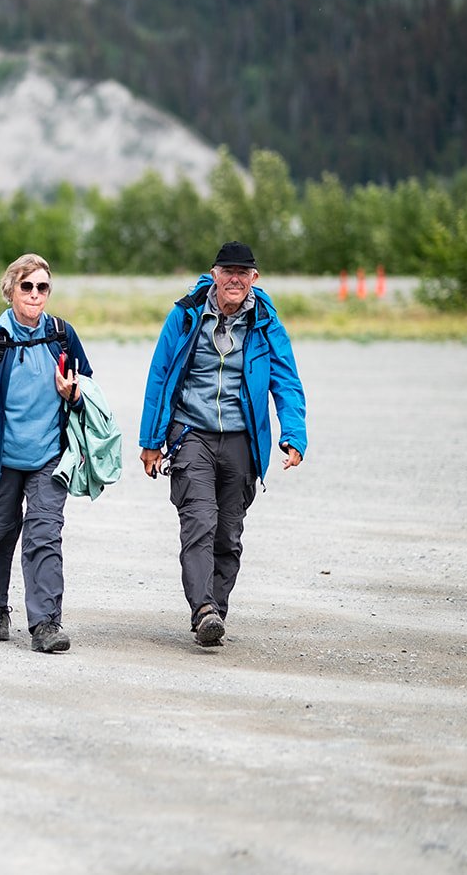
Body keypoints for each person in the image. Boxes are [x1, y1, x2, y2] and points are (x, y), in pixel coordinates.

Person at [138, 241, 308, 648]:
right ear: (213, 274)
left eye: (242, 272)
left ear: (254, 278)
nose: (234, 278)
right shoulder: (185, 314)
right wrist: (150, 442)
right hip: (190, 434)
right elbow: (159, 377)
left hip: (240, 440)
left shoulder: (266, 322)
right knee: (199, 521)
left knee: (228, 534)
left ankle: (215, 611)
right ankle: (203, 610)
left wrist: (293, 434)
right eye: (226, 270)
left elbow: (286, 382)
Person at [0, 253, 93, 653]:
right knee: (1, 533)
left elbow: (88, 386)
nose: (35, 294)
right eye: (27, 286)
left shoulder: (62, 335)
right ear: (11, 290)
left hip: (49, 455)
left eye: (43, 287)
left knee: (45, 534)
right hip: (0, 459)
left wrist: (73, 392)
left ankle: (46, 624)